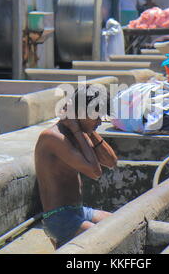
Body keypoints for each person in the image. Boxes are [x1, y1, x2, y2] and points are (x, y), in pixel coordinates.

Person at [35, 85, 118, 249]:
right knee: (107, 240)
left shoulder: (80, 134)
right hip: (59, 218)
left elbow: (111, 162)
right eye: (97, 117)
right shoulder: (53, 137)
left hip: (80, 211)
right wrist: (77, 128)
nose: (100, 122)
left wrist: (87, 130)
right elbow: (95, 172)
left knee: (122, 223)